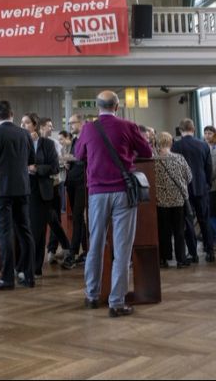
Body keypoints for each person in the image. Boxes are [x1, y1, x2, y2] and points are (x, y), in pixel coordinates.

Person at [74, 91, 152, 317]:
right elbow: (146, 151)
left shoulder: (89, 128)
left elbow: (79, 155)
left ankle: (91, 295)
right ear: (117, 107)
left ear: (98, 108)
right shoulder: (128, 126)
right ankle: (116, 302)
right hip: (123, 192)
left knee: (95, 245)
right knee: (122, 248)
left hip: (97, 193)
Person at [0, 100, 36, 291]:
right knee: (25, 231)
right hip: (22, 187)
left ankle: (7, 278)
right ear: (12, 114)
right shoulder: (24, 133)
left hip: (1, 190)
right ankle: (29, 276)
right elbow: (32, 160)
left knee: (5, 233)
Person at [22, 112, 67, 277]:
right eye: (22, 123)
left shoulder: (47, 144)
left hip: (41, 191)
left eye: (26, 123)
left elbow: (54, 168)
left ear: (35, 125)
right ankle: (25, 265)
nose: (23, 126)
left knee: (37, 231)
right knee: (25, 230)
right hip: (23, 190)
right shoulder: (21, 142)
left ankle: (34, 268)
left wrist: (37, 168)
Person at [172, 118, 215, 263]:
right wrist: (208, 184)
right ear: (194, 129)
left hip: (184, 189)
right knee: (204, 220)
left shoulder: (176, 146)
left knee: (188, 222)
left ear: (180, 130)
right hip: (202, 187)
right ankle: (210, 251)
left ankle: (193, 253)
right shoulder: (203, 145)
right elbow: (209, 167)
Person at [154, 132, 192, 268]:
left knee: (163, 231)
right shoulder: (179, 158)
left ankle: (164, 258)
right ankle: (181, 258)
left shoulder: (153, 161)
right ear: (171, 142)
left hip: (161, 200)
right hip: (178, 199)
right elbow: (189, 177)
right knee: (179, 231)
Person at [62, 116, 88, 270]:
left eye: (72, 123)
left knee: (78, 217)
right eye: (69, 123)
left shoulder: (86, 138)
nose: (70, 125)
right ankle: (84, 250)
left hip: (82, 182)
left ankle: (72, 253)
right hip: (72, 180)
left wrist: (71, 159)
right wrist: (67, 163)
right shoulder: (74, 140)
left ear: (81, 123)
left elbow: (83, 158)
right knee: (77, 219)